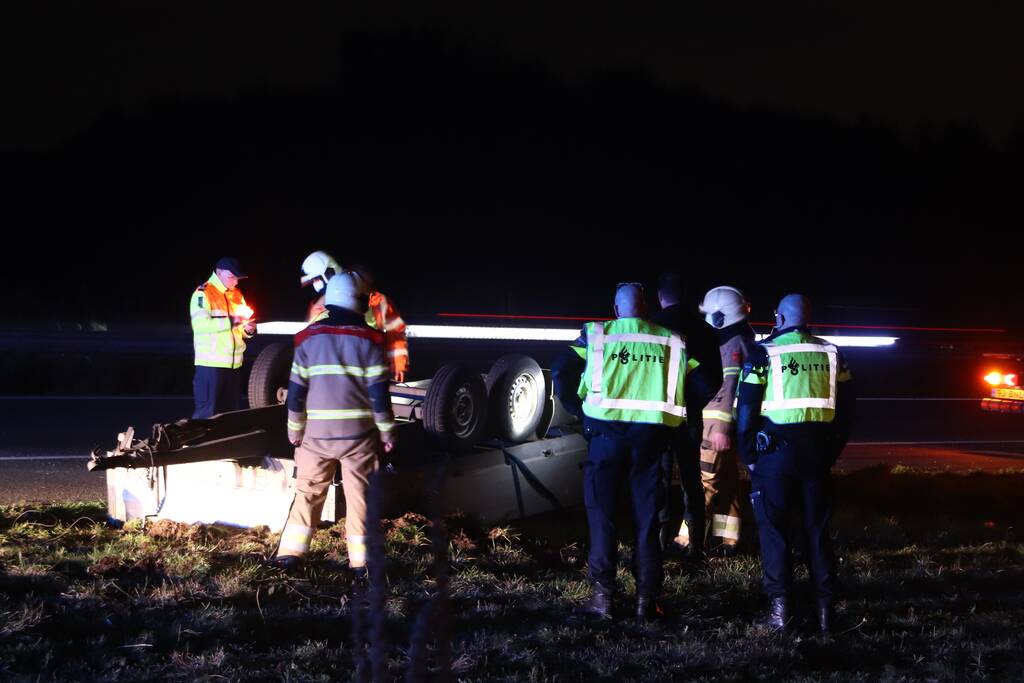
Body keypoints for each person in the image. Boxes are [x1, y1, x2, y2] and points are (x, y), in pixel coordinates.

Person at [551, 282, 718, 620]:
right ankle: (646, 600)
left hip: (605, 438)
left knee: (603, 517)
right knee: (647, 520)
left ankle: (603, 598)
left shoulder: (597, 335)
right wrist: (677, 413)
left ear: (616, 310)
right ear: (645, 308)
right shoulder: (672, 340)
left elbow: (560, 370)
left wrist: (580, 412)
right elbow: (706, 381)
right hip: (651, 441)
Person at [736, 294, 854, 633]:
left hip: (775, 456)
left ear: (780, 317)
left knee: (774, 532)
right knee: (817, 532)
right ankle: (826, 613)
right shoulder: (833, 354)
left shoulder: (764, 353)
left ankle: (779, 613)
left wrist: (749, 456)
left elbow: (746, 411)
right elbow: (846, 413)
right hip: (817, 456)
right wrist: (831, 453)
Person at [273, 272, 397, 574]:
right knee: (360, 500)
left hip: (315, 438)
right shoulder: (372, 341)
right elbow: (379, 396)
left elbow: (296, 394)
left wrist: (294, 431)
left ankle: (290, 556)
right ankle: (362, 564)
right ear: (360, 302)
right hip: (359, 439)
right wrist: (387, 433)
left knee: (308, 494)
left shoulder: (307, 339)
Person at [649, 272, 722, 560]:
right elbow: (713, 378)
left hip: (658, 418)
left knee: (660, 480)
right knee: (692, 482)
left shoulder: (651, 327)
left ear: (659, 297)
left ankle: (659, 544)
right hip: (689, 417)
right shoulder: (703, 330)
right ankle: (696, 547)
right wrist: (690, 402)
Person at [692, 285, 757, 556]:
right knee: (728, 484)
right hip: (727, 427)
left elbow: (728, 388)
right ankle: (727, 540)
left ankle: (688, 541)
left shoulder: (729, 345)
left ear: (719, 316)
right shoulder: (741, 341)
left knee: (704, 485)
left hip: (714, 428)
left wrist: (720, 428)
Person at [300, 251, 410, 382]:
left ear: (328, 273)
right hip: (335, 376)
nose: (315, 285)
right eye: (313, 281)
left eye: (316, 279)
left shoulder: (377, 302)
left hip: (370, 369)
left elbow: (395, 333)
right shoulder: (317, 308)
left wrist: (398, 365)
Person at [189, 256, 256, 419]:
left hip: (234, 366)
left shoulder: (237, 295)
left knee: (229, 417)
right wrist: (232, 321)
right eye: (232, 277)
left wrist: (248, 330)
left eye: (238, 277)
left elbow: (239, 328)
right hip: (210, 366)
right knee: (206, 417)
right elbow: (200, 326)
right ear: (218, 273)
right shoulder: (202, 293)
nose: (236, 281)